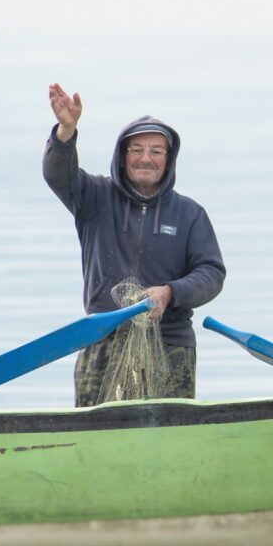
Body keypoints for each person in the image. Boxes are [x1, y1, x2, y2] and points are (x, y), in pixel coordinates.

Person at [43, 83, 226, 407]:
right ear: (123, 156)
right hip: (102, 340)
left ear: (168, 160)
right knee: (94, 429)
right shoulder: (93, 198)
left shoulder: (189, 214)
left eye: (156, 151)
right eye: (137, 150)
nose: (146, 158)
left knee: (171, 430)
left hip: (171, 344)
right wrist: (65, 132)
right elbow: (58, 174)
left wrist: (169, 293)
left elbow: (211, 274)